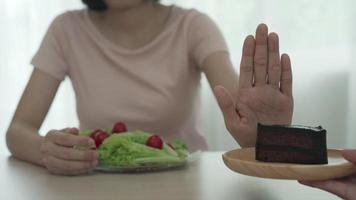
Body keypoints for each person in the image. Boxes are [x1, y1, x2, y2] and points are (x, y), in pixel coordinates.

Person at [5, 0, 293, 175]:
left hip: (181, 184)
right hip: (96, 185)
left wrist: (266, 134)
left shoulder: (193, 26)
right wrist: (46, 150)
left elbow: (244, 119)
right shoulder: (65, 29)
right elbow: (18, 131)